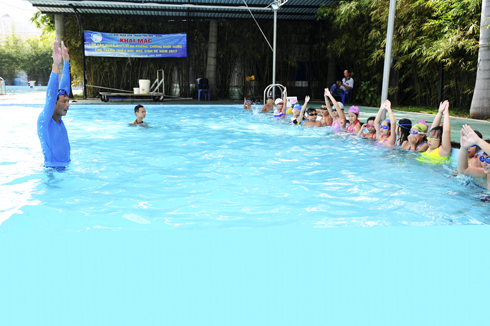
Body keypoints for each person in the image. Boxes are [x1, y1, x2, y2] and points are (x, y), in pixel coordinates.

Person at [37, 40, 71, 167]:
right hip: (53, 174)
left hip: (65, 170)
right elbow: (51, 96)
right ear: (54, 104)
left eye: (68, 101)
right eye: (64, 102)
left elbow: (64, 89)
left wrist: (66, 62)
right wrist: (56, 66)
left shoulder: (58, 120)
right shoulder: (45, 121)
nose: (68, 105)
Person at [458, 124, 490, 189]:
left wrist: (478, 141)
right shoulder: (486, 174)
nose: (484, 163)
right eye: (482, 158)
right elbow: (463, 170)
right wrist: (463, 148)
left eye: (488, 159)